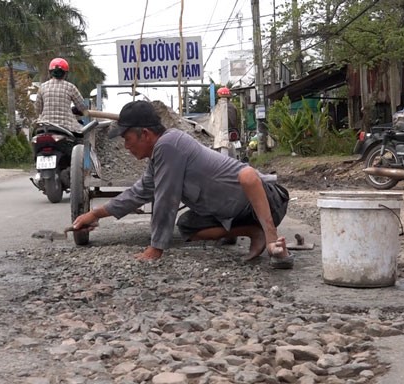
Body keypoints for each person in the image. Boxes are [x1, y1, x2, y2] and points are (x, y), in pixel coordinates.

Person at [72, 100, 294, 268]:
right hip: (234, 212)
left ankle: (271, 239)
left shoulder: (169, 145)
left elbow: (166, 198)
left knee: (247, 175)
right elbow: (140, 191)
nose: (126, 147)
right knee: (187, 226)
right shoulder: (158, 155)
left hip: (266, 201)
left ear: (145, 134)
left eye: (127, 139)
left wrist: (155, 248)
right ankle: (254, 232)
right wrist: (96, 214)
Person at [34, 57, 89, 133]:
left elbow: (38, 109)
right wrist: (80, 110)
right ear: (65, 73)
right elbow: (82, 107)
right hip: (66, 126)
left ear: (50, 72)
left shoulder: (42, 87)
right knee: (83, 136)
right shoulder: (70, 87)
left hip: (45, 126)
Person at [208, 86, 240, 157]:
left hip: (221, 134)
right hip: (233, 131)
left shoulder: (217, 108)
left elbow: (212, 123)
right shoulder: (234, 107)